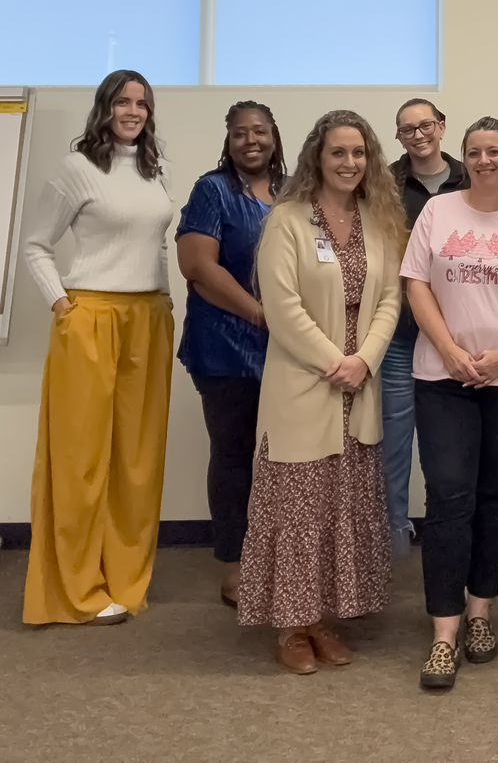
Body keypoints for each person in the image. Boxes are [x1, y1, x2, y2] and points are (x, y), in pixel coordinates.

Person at [236, 110, 406, 675]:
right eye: (339, 153)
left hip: (359, 387)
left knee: (340, 505)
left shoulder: (379, 218)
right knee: (298, 507)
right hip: (305, 384)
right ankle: (290, 627)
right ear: (317, 156)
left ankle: (320, 618)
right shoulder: (288, 220)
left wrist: (365, 361)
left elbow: (389, 301)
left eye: (359, 153)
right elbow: (282, 308)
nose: (350, 163)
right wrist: (336, 362)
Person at [401, 117, 498, 690]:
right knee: (448, 497)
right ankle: (443, 635)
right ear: (462, 157)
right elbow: (416, 283)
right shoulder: (437, 212)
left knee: (496, 498)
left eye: (495, 151)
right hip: (443, 378)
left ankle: (480, 613)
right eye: (474, 151)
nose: (484, 159)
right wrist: (449, 350)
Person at [21, 70, 174, 626]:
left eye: (142, 103)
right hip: (91, 316)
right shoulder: (76, 169)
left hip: (148, 318)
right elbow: (35, 245)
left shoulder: (154, 171)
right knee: (81, 458)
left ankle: (125, 578)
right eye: (123, 101)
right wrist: (62, 305)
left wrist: (164, 300)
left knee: (136, 459)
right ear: (104, 106)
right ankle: (74, 590)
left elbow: (153, 242)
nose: (133, 110)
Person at [176, 101, 286, 607]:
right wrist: (260, 313)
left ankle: (279, 560)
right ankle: (235, 567)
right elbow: (198, 266)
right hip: (225, 350)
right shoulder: (212, 189)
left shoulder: (290, 194)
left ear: (274, 136)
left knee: (283, 461)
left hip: (287, 353)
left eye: (259, 132)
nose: (251, 141)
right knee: (234, 458)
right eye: (240, 133)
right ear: (229, 139)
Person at [384, 98, 469, 554]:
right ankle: (394, 534)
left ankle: (449, 534)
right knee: (394, 442)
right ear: (398, 136)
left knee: (450, 448)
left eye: (425, 126)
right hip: (400, 333)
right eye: (407, 129)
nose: (418, 135)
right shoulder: (384, 183)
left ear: (441, 127)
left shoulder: (469, 179)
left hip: (456, 337)